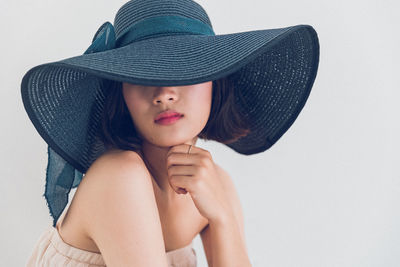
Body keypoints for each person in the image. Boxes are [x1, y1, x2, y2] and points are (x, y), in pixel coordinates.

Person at [21, 0, 320, 266]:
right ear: (121, 94)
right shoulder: (119, 175)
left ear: (216, 82)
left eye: (186, 69)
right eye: (142, 74)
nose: (164, 94)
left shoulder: (215, 184)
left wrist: (224, 219)